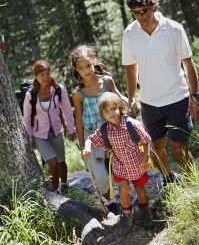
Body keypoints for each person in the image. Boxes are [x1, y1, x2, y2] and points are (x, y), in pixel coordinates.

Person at [122, 0, 199, 184]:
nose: (140, 17)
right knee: (155, 150)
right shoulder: (130, 34)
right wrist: (131, 99)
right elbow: (130, 68)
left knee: (178, 149)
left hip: (177, 99)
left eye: (143, 11)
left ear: (153, 5)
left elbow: (188, 64)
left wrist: (195, 96)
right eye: (135, 13)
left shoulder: (174, 29)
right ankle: (170, 183)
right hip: (149, 103)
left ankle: (194, 184)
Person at [82, 92, 153, 232]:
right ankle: (127, 213)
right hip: (119, 164)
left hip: (137, 162)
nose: (111, 113)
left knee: (140, 189)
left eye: (113, 109)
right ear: (102, 114)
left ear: (121, 108)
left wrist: (146, 157)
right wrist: (87, 148)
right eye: (106, 111)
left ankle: (145, 210)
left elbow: (146, 140)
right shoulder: (104, 130)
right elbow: (91, 138)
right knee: (123, 189)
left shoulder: (132, 124)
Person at [71, 45, 128, 215]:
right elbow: (79, 120)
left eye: (88, 65)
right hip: (91, 136)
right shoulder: (77, 93)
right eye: (81, 68)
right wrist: (82, 146)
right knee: (101, 177)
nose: (86, 70)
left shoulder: (107, 81)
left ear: (94, 62)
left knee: (116, 169)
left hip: (112, 131)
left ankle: (125, 200)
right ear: (76, 69)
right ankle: (110, 203)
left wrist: (129, 103)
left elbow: (119, 100)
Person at [23, 60, 76, 194]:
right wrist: (29, 138)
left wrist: (71, 129)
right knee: (52, 162)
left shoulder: (58, 89)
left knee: (61, 161)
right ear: (36, 76)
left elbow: (67, 110)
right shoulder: (30, 95)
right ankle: (55, 191)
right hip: (39, 134)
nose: (46, 78)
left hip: (57, 131)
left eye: (47, 74)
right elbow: (27, 118)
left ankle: (64, 184)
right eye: (42, 75)